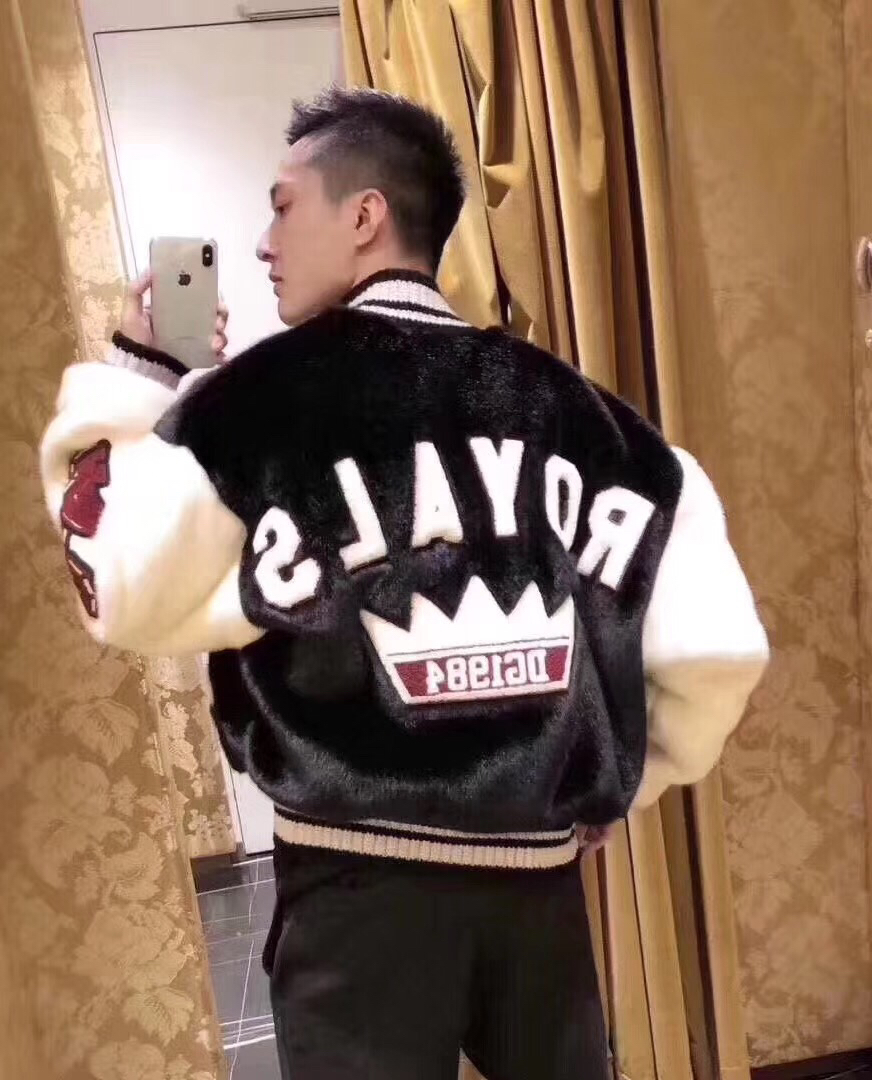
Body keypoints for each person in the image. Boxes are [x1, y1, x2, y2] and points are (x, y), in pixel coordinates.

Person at [41, 88, 769, 1080]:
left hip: (355, 889)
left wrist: (143, 370)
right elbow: (716, 650)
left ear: (365, 215)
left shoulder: (255, 407)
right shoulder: (583, 416)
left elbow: (120, 581)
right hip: (535, 885)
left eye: (283, 206)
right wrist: (618, 777)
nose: (262, 243)